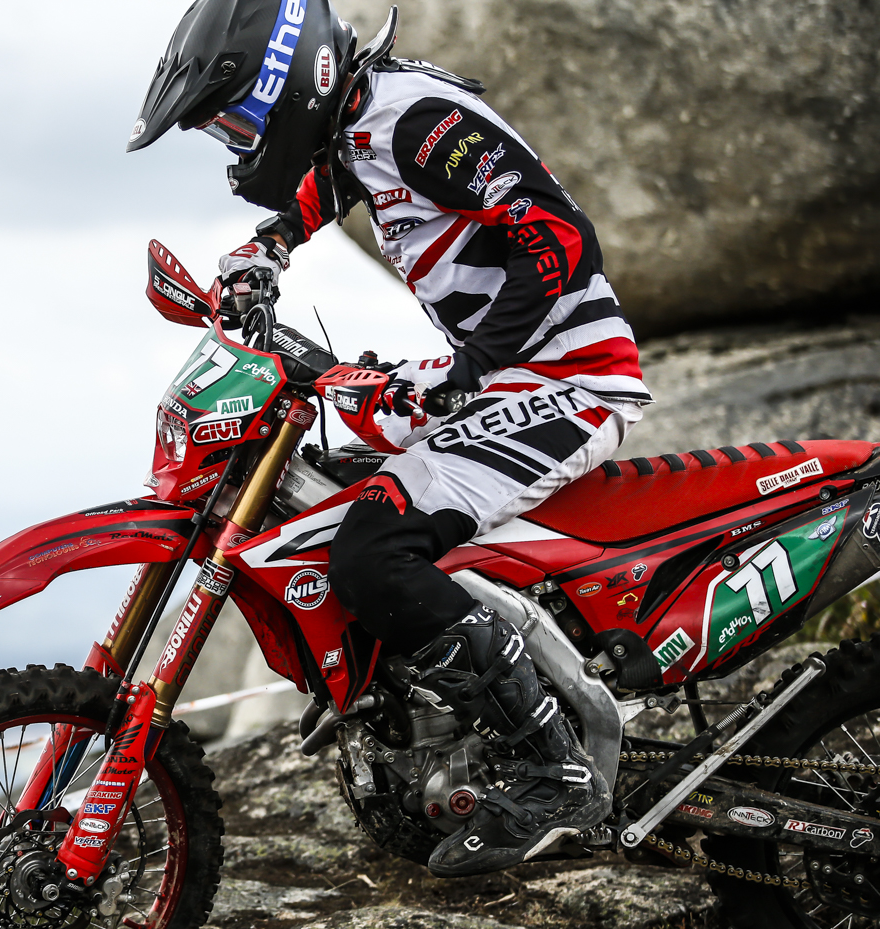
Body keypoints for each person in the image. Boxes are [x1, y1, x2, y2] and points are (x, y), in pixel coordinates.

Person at [127, 0, 651, 876]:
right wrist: (270, 247)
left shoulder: (416, 119)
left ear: (292, 77)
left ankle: (553, 769)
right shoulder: (365, 118)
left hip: (567, 378)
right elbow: (342, 174)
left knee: (372, 550)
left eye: (238, 120)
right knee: (331, 487)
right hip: (516, 370)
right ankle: (420, 706)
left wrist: (470, 368)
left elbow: (561, 237)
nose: (238, 143)